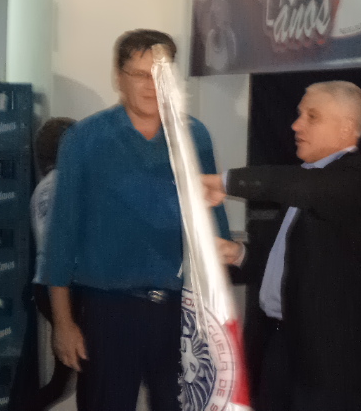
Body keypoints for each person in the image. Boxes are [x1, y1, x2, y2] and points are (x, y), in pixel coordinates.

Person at [34, 29, 231, 411]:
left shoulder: (194, 136)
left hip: (181, 311)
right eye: (140, 75)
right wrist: (63, 322)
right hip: (109, 312)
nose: (152, 86)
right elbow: (62, 234)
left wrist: (214, 320)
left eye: (161, 75)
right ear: (118, 77)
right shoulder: (85, 139)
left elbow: (213, 226)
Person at [202, 81, 361, 411]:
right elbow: (282, 264)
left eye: (311, 116)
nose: (296, 125)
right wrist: (238, 254)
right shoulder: (307, 182)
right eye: (299, 114)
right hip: (281, 348)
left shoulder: (360, 177)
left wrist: (224, 182)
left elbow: (297, 186)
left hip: (329, 366)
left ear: (346, 128)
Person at [30, 117, 78, 410]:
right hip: (66, 286)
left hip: (45, 286)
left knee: (63, 381)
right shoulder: (68, 185)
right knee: (80, 373)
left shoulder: (42, 189)